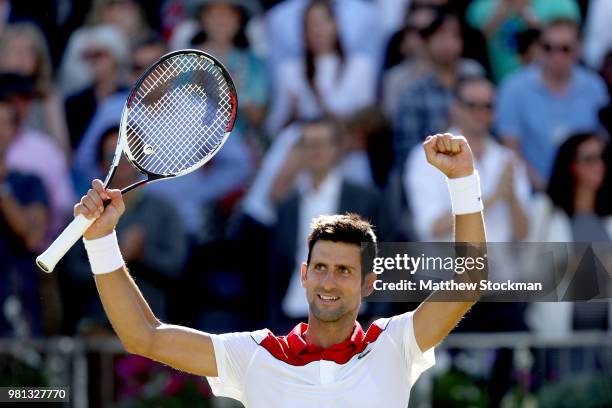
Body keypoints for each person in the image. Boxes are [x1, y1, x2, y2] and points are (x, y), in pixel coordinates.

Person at [73, 132, 487, 406]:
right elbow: (143, 337)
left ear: (369, 284)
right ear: (303, 275)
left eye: (344, 271)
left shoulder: (394, 343)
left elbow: (469, 281)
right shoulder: (256, 354)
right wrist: (101, 240)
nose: (328, 281)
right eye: (321, 267)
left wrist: (464, 181)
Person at [268, 118, 391, 326]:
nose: (316, 151)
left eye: (322, 143)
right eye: (309, 144)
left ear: (337, 147)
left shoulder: (365, 199)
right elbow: (276, 266)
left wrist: (380, 316)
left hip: (353, 313)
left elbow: (385, 257)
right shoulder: (287, 206)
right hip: (295, 313)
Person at [405, 76, 530, 242]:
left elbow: (524, 233)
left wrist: (511, 197)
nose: (481, 113)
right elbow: (433, 227)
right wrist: (495, 196)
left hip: (502, 264)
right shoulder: (427, 156)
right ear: (455, 108)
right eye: (472, 106)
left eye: (488, 106)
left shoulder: (508, 158)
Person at [496, 18, 609, 190]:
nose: (556, 56)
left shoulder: (595, 88)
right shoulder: (513, 89)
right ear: (539, 49)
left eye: (565, 49)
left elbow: (602, 142)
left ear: (578, 49)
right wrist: (545, 189)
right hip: (533, 194)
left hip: (586, 193)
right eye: (548, 48)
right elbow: (511, 150)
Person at [526, 133, 612, 336]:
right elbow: (527, 267)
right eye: (589, 159)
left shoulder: (609, 217)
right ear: (571, 164)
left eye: (603, 158)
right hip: (555, 333)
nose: (598, 165)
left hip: (604, 341)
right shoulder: (545, 210)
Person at [265, 0, 377, 136]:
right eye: (311, 25)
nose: (317, 31)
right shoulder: (290, 71)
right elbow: (273, 126)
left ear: (337, 25)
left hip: (347, 148)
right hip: (305, 147)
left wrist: (332, 115)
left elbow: (367, 121)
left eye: (323, 23)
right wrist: (292, 116)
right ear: (303, 32)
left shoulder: (361, 67)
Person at [393, 9, 484, 166]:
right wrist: (449, 125)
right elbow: (406, 153)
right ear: (427, 41)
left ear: (462, 41)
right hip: (429, 174)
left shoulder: (476, 77)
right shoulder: (412, 93)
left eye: (453, 36)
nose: (446, 43)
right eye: (439, 35)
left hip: (478, 166)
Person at [0, 96, 50, 337]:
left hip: (17, 294)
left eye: (4, 123)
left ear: (14, 130)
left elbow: (32, 237)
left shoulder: (30, 183)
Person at [466, 0, 580, 82]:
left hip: (547, 88)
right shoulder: (480, 6)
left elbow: (564, 43)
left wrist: (528, 15)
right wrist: (501, 12)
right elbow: (472, 48)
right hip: (492, 89)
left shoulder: (562, 4)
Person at [0, 23, 70, 154]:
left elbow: (61, 148)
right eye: (15, 51)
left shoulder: (47, 97)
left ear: (38, 59)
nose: (21, 58)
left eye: (28, 52)